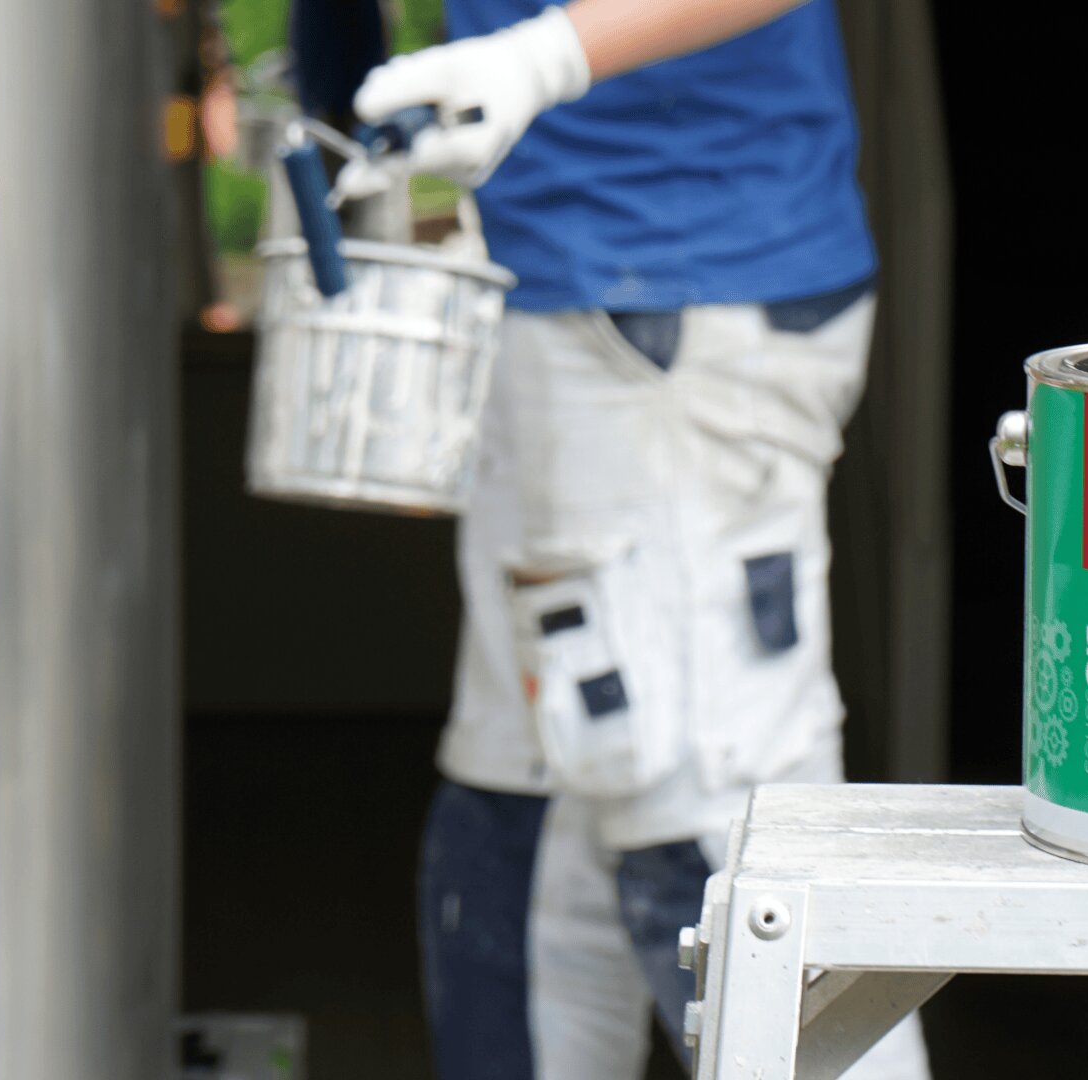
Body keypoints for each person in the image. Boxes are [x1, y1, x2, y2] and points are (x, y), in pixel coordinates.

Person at [349, 1, 933, 1076]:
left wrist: (544, 58)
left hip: (673, 295)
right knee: (537, 817)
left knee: (721, 838)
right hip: (573, 284)